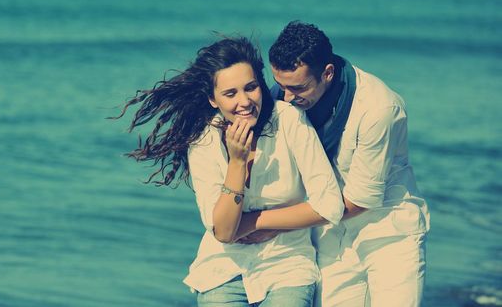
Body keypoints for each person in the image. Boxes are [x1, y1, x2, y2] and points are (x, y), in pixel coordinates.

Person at [113, 36, 344, 306]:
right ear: (213, 99)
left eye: (251, 88)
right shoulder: (203, 139)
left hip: (287, 266)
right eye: (230, 93)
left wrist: (254, 223)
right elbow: (223, 231)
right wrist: (236, 161)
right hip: (223, 268)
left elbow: (329, 205)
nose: (245, 101)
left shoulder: (289, 120)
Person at [264, 21, 430, 306]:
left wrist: (264, 224)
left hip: (388, 231)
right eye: (281, 85)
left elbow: (360, 199)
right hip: (330, 233)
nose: (287, 98)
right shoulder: (283, 97)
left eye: (298, 87)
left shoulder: (378, 108)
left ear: (328, 73)